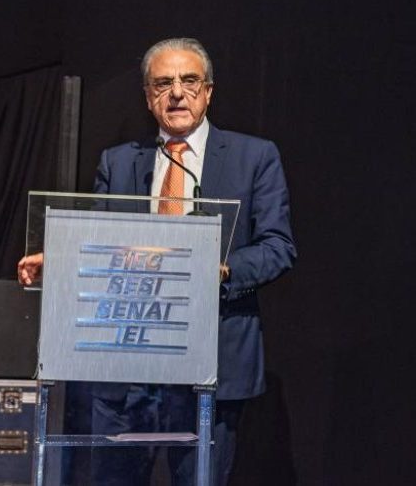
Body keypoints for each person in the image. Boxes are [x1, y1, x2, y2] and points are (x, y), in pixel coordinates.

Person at [18, 37, 296, 485]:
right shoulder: (119, 162)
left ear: (208, 91)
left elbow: (277, 247)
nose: (177, 94)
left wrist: (220, 270)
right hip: (126, 367)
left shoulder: (254, 157)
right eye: (163, 84)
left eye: (189, 81)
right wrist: (61, 258)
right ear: (148, 97)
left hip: (211, 363)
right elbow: (100, 240)